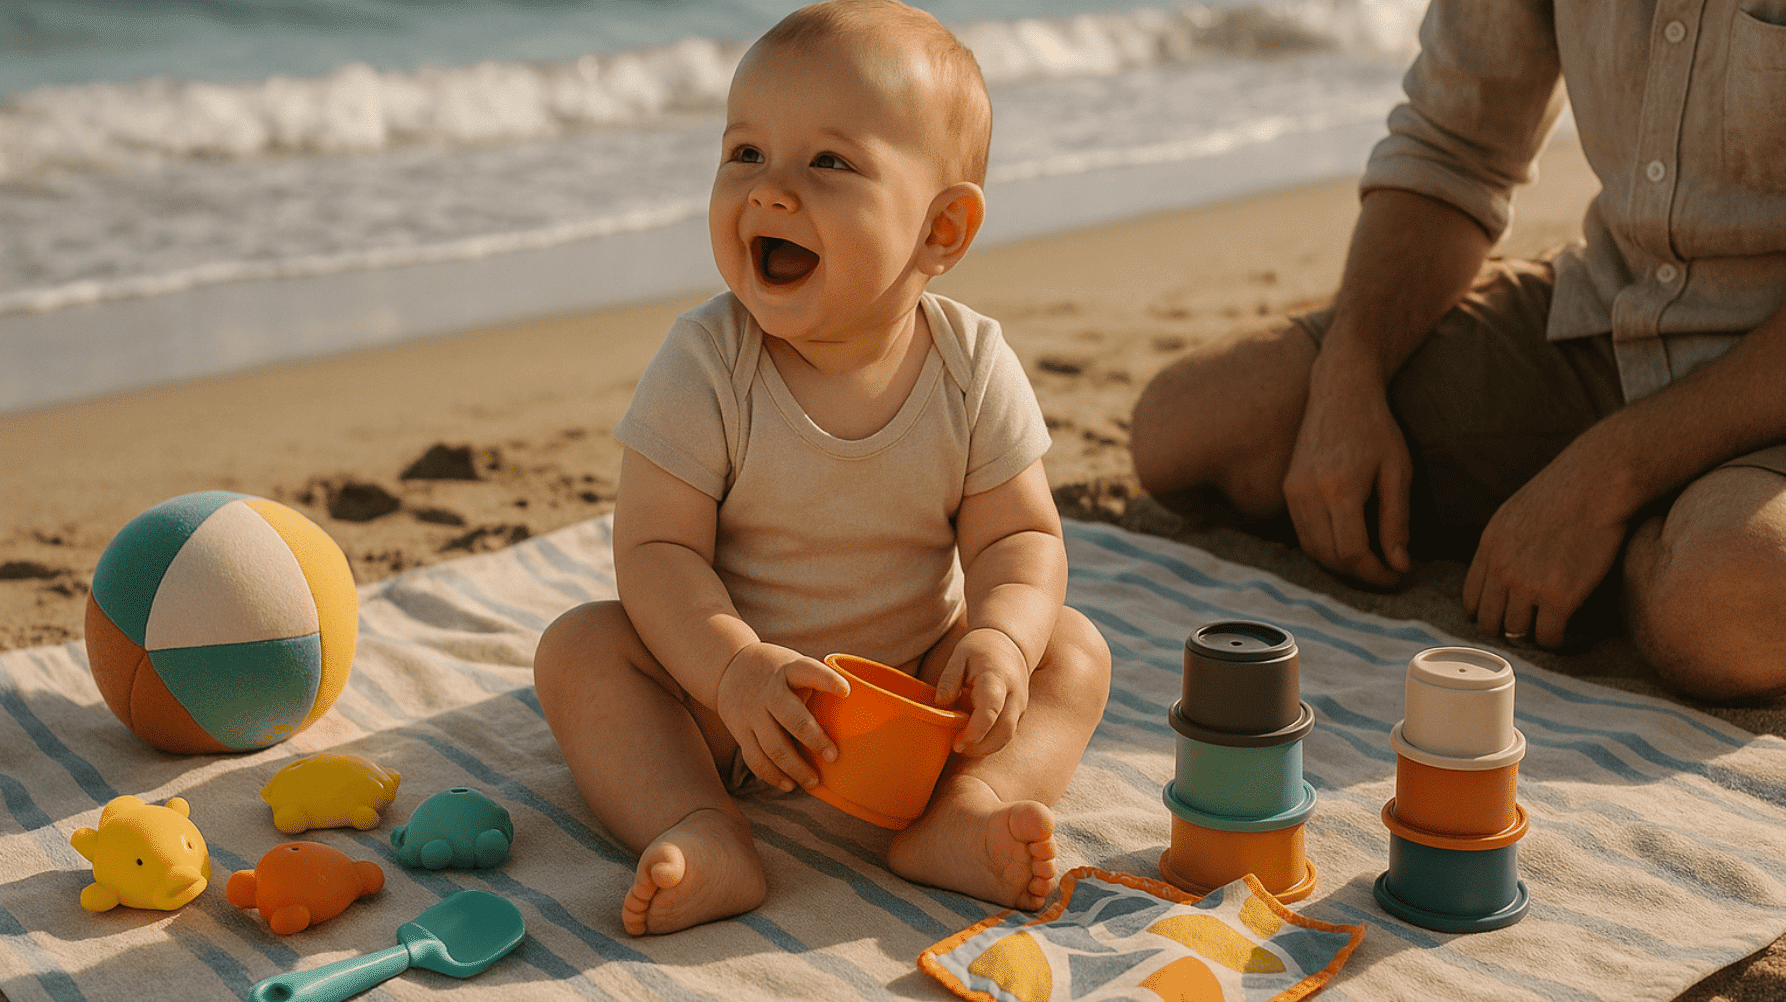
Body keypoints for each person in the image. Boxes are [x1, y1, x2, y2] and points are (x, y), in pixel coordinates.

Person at [533, 0, 1111, 936]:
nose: (768, 191)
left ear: (942, 231)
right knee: (581, 651)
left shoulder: (970, 366)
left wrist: (1000, 640)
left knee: (1073, 651)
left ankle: (960, 814)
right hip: (725, 706)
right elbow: (653, 551)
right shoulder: (708, 361)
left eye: (828, 163)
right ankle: (699, 823)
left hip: (917, 706)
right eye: (745, 154)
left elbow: (1020, 535)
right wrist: (732, 671)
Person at [1129, 0, 1786, 701]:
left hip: (1765, 393)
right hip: (1607, 312)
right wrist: (1349, 374)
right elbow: (1454, 147)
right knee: (1187, 426)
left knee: (1732, 602)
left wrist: (1606, 479)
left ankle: (1630, 560)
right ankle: (1629, 548)